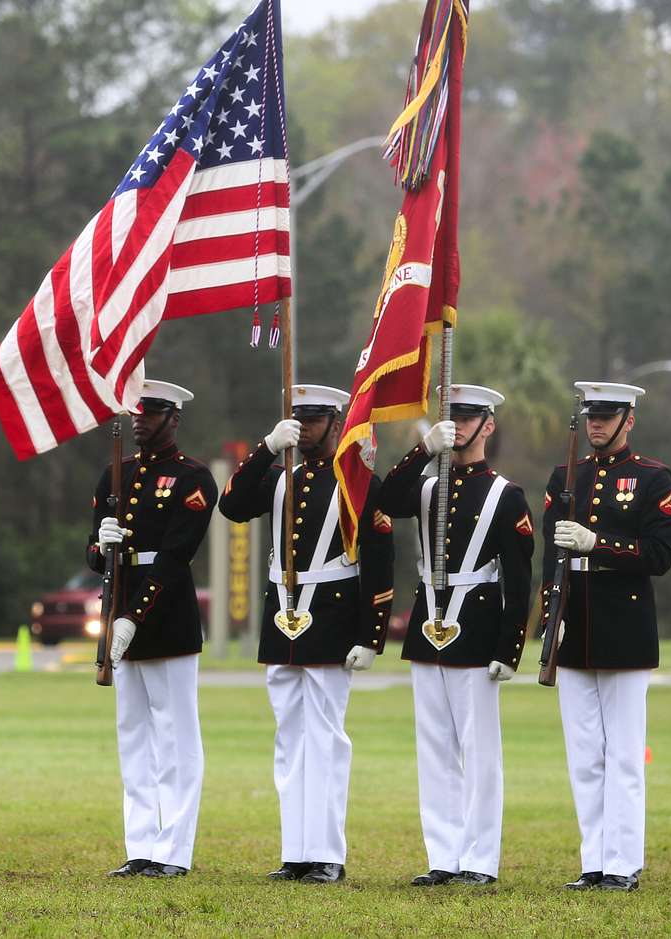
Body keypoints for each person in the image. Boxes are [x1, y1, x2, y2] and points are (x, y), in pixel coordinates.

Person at [218, 384, 396, 885]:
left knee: (325, 741)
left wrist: (371, 634)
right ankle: (295, 850)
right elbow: (231, 507)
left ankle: (327, 854)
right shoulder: (279, 478)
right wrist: (266, 448)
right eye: (299, 419)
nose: (305, 428)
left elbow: (380, 562)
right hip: (283, 618)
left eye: (314, 420)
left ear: (337, 423)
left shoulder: (356, 481)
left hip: (332, 619)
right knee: (289, 740)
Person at [377, 384, 536, 887]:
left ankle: (480, 860)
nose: (460, 425)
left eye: (469, 418)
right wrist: (424, 450)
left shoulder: (506, 494)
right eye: (453, 417)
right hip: (428, 623)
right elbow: (386, 499)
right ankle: (442, 856)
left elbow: (519, 576)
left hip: (478, 625)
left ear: (488, 425)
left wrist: (511, 647)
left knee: (479, 751)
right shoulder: (425, 485)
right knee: (435, 748)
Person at [541, 381, 671, 893]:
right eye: (591, 416)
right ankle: (594, 861)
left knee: (622, 755)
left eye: (607, 416)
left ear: (629, 421)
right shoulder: (565, 476)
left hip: (624, 624)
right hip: (575, 623)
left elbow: (659, 557)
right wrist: (549, 621)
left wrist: (598, 544)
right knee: (584, 756)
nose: (597, 424)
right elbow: (548, 561)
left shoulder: (651, 478)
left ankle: (622, 863)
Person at [87, 380, 218, 879]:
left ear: (174, 418)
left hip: (165, 617)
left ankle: (173, 849)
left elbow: (176, 557)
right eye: (137, 412)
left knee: (176, 737)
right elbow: (93, 553)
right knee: (134, 736)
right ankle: (140, 845)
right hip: (119, 605)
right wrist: (103, 543)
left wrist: (133, 617)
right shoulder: (113, 475)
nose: (140, 420)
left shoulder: (193, 478)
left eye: (152, 412)